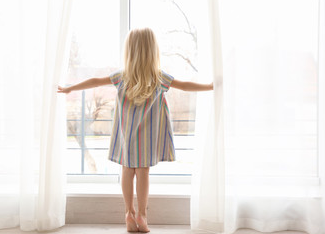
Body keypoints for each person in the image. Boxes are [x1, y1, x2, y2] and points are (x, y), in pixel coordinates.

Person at [57, 27, 213, 233]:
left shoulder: (122, 77)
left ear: (129, 51)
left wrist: (70, 88)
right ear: (152, 51)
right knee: (143, 173)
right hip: (147, 140)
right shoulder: (158, 78)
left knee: (126, 171)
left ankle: (129, 213)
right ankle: (142, 214)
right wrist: (211, 86)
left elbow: (95, 81)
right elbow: (185, 85)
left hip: (126, 136)